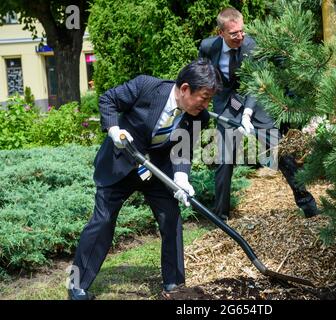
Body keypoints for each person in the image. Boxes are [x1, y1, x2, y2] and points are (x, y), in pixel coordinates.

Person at [67, 58, 222, 300]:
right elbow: (108, 99)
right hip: (121, 162)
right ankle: (78, 286)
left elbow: (182, 149)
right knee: (103, 221)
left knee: (171, 218)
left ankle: (174, 285)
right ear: (184, 89)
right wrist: (113, 131)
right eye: (204, 97)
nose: (206, 104)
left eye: (210, 99)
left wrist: (181, 177)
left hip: (156, 168)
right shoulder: (147, 87)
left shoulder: (198, 117)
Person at [199, 7, 319, 221]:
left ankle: (308, 206)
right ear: (221, 33)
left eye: (242, 31)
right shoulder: (208, 47)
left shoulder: (252, 45)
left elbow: (256, 82)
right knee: (225, 159)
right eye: (234, 33)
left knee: (279, 150)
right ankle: (220, 217)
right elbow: (203, 73)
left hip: (254, 98)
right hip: (227, 102)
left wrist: (246, 114)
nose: (240, 36)